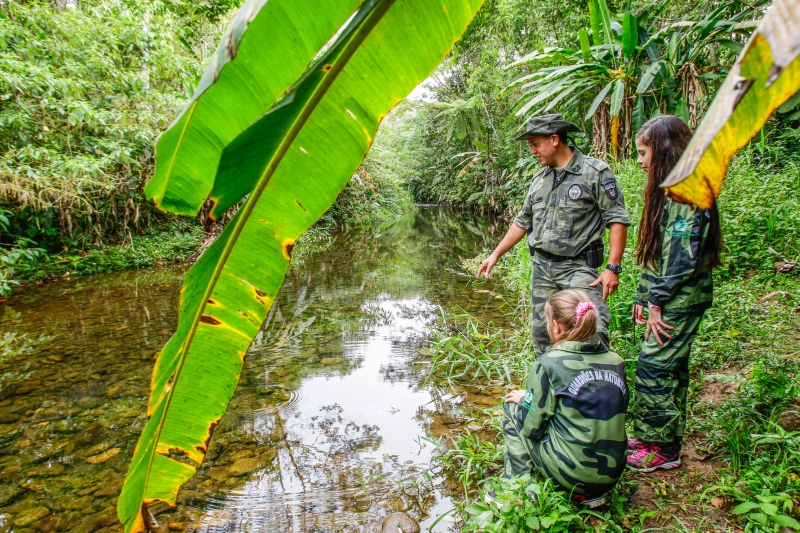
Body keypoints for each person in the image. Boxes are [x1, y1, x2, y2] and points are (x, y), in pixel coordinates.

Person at [478, 113, 631, 356]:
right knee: (542, 334)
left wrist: (613, 268)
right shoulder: (540, 178)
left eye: (535, 144)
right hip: (543, 269)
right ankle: (549, 386)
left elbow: (617, 219)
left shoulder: (595, 173)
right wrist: (495, 254)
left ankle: (596, 386)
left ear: (555, 139)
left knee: (591, 330)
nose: (532, 151)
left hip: (579, 268)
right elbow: (522, 221)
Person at [626, 115, 723, 472]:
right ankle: (657, 434)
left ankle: (662, 448)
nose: (639, 161)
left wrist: (656, 301)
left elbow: (681, 259)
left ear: (664, 149)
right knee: (669, 367)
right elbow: (657, 252)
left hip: (680, 298)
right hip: (669, 295)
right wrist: (642, 295)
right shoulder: (671, 189)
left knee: (654, 366)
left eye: (642, 152)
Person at [501, 289, 629, 508]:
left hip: (571, 477)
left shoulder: (549, 363)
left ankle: (517, 490)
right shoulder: (616, 361)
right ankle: (593, 494)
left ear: (556, 327)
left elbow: (532, 429)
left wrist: (525, 401)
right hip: (611, 477)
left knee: (512, 408)